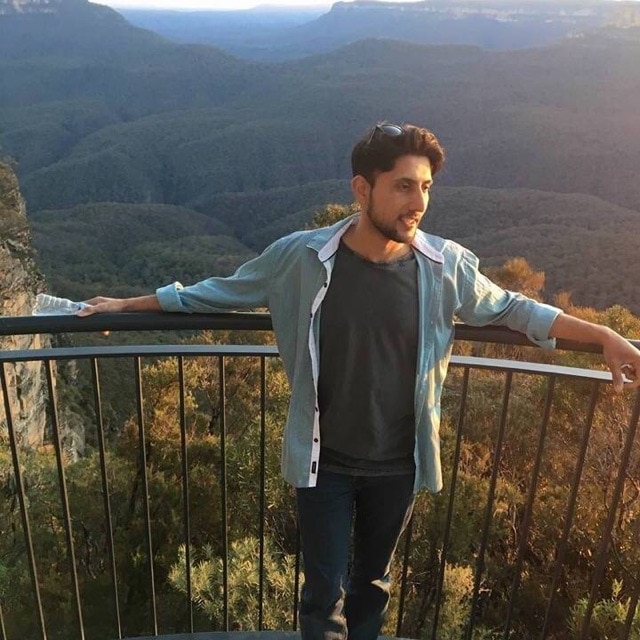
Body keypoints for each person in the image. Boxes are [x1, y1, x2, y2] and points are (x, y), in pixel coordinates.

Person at [79, 122, 640, 640]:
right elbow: (216, 291)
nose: (418, 202)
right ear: (362, 189)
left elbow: (517, 310)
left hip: (399, 461)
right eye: (402, 187)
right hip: (325, 461)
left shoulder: (446, 267)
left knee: (373, 587)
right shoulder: (301, 257)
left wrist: (602, 336)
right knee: (322, 597)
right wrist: (128, 303)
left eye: (425, 187)